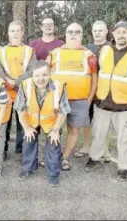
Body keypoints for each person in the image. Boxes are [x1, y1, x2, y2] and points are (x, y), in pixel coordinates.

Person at [84, 21, 127, 181]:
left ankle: (125, 167)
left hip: (125, 105)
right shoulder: (104, 50)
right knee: (98, 133)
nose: (121, 35)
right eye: (118, 32)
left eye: (125, 32)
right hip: (102, 102)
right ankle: (95, 157)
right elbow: (97, 73)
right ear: (112, 33)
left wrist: (125, 90)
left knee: (125, 137)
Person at [47, 23, 98, 171]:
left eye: (77, 32)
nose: (73, 34)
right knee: (53, 128)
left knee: (73, 130)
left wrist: (89, 98)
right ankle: (52, 156)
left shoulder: (89, 55)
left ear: (82, 35)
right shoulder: (55, 53)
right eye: (70, 32)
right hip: (56, 99)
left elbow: (94, 77)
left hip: (80, 100)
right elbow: (45, 73)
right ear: (65, 34)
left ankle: (65, 158)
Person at [15, 61, 71, 187]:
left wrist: (55, 130)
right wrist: (26, 128)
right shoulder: (25, 85)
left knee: (53, 143)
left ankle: (53, 174)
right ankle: (28, 169)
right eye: (37, 76)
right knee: (28, 141)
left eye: (44, 75)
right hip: (31, 120)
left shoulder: (59, 86)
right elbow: (20, 109)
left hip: (52, 122)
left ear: (50, 74)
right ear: (32, 76)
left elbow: (63, 112)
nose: (41, 79)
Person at [0, 20, 37, 162]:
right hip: (6, 91)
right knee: (5, 120)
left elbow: (32, 70)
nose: (15, 33)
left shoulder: (29, 51)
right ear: (8, 33)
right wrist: (8, 82)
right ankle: (3, 149)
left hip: (23, 91)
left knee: (22, 120)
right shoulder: (1, 51)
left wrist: (16, 82)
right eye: (12, 30)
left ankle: (21, 149)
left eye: (18, 30)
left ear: (22, 33)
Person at [74, 20, 111, 160]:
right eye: (95, 30)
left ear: (106, 31)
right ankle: (87, 146)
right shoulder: (87, 48)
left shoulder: (112, 47)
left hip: (105, 91)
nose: (97, 33)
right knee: (87, 120)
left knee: (103, 122)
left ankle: (105, 151)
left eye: (100, 30)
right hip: (88, 90)